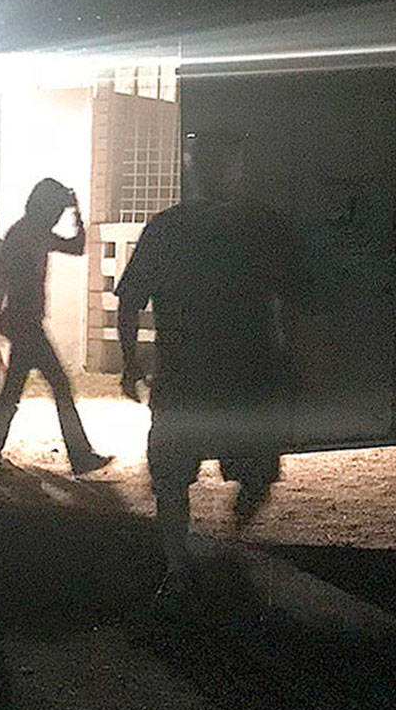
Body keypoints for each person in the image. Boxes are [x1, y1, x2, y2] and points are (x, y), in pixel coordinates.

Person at [116, 133, 302, 602]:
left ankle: (181, 567)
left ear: (193, 168)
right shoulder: (263, 226)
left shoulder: (168, 228)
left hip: (189, 373)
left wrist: (130, 359)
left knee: (173, 477)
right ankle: (221, 547)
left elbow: (130, 300)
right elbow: (297, 298)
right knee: (251, 469)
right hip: (245, 373)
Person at [0, 178, 111, 475]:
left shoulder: (29, 232)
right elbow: (74, 248)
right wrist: (76, 213)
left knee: (13, 392)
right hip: (26, 322)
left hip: (23, 320)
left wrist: (76, 214)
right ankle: (80, 455)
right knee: (59, 385)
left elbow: (75, 248)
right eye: (56, 211)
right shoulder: (28, 235)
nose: (56, 217)